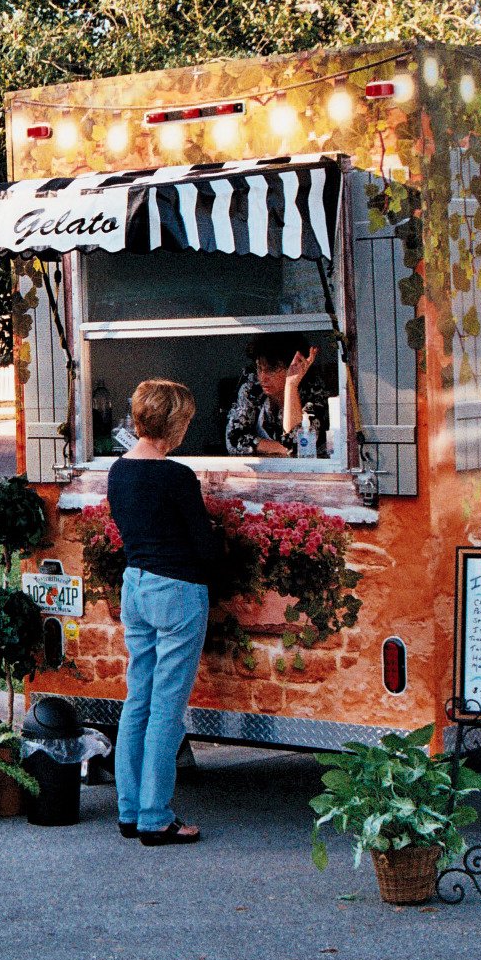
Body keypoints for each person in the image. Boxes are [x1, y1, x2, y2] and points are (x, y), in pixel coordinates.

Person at [107, 378, 216, 846]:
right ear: (175, 423)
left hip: (136, 584)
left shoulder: (118, 471)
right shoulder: (176, 476)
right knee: (167, 708)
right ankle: (156, 817)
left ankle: (130, 811)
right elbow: (203, 546)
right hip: (178, 591)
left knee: (138, 701)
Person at [226, 334, 329, 457]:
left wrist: (291, 385)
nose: (263, 377)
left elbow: (299, 445)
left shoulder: (313, 392)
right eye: (259, 368)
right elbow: (233, 439)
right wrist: (282, 448)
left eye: (271, 369)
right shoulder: (253, 389)